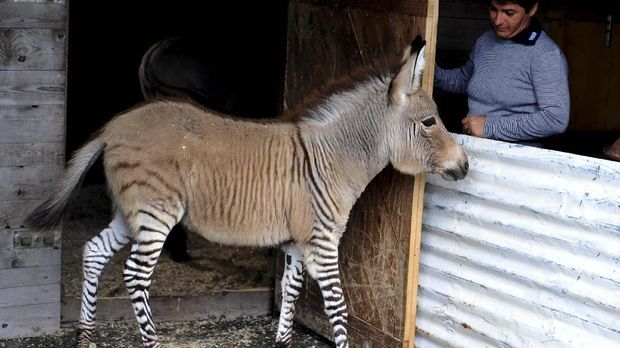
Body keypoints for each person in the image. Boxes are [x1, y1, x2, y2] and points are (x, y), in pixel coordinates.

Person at [434, 0, 570, 147]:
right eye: (493, 9)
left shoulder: (546, 55)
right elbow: (463, 81)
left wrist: (490, 127)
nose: (498, 21)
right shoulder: (485, 40)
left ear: (532, 9)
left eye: (509, 13)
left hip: (516, 159)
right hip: (471, 149)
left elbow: (555, 119)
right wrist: (430, 72)